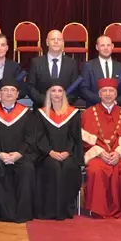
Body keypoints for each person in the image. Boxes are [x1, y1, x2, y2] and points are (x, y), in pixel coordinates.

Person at [0, 77, 38, 222]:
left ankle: (22, 213)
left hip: (20, 155)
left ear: (17, 94)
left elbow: (30, 137)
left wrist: (18, 154)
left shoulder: (26, 113)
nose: (9, 93)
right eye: (5, 90)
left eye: (12, 90)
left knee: (28, 168)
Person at [81, 78, 121, 219]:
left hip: (120, 155)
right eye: (104, 91)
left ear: (116, 94)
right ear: (99, 94)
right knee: (96, 170)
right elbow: (85, 140)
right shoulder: (88, 114)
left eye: (111, 91)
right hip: (97, 155)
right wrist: (100, 152)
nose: (108, 94)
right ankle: (98, 209)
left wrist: (119, 153)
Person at [34, 81, 82, 220]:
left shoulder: (73, 113)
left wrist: (68, 152)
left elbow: (75, 136)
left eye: (60, 91)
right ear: (48, 94)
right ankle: (50, 210)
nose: (56, 94)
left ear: (64, 94)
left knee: (68, 167)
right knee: (53, 167)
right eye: (53, 91)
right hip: (46, 155)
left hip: (68, 154)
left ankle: (65, 209)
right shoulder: (41, 114)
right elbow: (39, 137)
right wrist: (50, 152)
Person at [27, 30, 80, 107]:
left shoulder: (72, 63)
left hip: (64, 109)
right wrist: (45, 101)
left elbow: (75, 89)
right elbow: (30, 87)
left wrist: (62, 103)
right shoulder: (36, 62)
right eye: (52, 39)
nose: (56, 42)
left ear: (63, 43)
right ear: (47, 42)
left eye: (59, 39)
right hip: (41, 108)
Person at [79, 35, 121, 106]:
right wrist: (103, 101)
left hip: (116, 108)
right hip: (94, 107)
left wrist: (116, 102)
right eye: (102, 45)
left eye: (108, 45)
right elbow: (83, 89)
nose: (106, 48)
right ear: (97, 47)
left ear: (112, 46)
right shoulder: (88, 66)